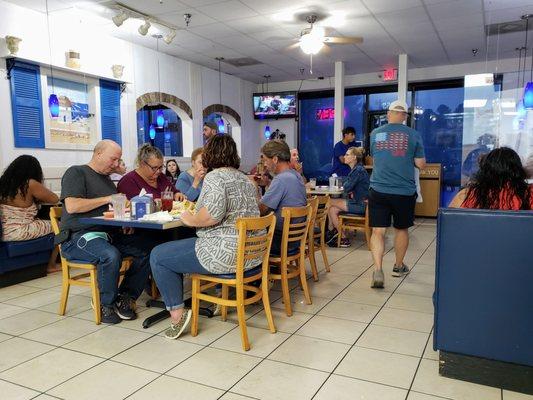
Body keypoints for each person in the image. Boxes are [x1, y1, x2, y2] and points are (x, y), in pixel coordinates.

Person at [150, 135, 261, 339]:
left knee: (158, 255)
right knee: (174, 250)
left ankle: (177, 316)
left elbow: (211, 216)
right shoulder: (244, 179)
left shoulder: (216, 177)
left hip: (224, 253)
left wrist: (189, 219)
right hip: (251, 255)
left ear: (211, 154)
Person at [58, 140, 152, 324]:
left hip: (108, 235)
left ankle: (125, 296)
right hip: (78, 237)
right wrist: (107, 198)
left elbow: (109, 211)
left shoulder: (107, 180)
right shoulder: (76, 172)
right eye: (113, 159)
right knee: (111, 255)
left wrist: (123, 221)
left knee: (148, 250)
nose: (116, 164)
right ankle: (105, 303)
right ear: (98, 153)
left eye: (119, 160)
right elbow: (73, 205)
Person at [368, 100, 426, 289]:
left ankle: (377, 269)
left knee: (378, 230)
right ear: (404, 116)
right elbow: (421, 164)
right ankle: (398, 266)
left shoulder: (375, 134)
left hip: (378, 189)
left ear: (388, 114)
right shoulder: (414, 135)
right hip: (403, 191)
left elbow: (376, 158)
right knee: (401, 229)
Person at [259, 140, 307, 255]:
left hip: (281, 240)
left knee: (244, 237)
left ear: (275, 159)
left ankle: (260, 271)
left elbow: (261, 210)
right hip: (296, 237)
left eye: (265, 160)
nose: (265, 164)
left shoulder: (281, 179)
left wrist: (254, 187)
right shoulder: (296, 175)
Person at [449, 147, 533, 210]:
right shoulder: (530, 195)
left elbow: (449, 225)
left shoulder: (466, 195)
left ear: (484, 172)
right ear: (518, 171)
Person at [0, 155, 58, 242]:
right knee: (59, 225)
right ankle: (56, 255)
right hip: (20, 231)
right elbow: (55, 199)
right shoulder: (29, 184)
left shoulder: (3, 183)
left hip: (4, 232)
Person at [326, 147, 370, 247]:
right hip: (360, 202)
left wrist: (345, 183)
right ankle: (343, 237)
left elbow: (346, 187)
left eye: (347, 154)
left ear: (354, 157)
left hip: (361, 205)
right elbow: (348, 186)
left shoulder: (357, 170)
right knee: (332, 210)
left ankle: (330, 231)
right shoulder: (357, 169)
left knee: (329, 202)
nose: (344, 156)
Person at [117, 144, 185, 201]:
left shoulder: (161, 177)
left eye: (161, 167)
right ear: (142, 164)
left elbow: (174, 191)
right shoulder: (128, 181)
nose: (158, 171)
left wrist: (177, 194)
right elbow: (132, 207)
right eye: (154, 168)